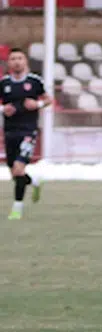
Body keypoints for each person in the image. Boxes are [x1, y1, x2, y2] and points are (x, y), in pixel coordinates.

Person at [1, 48, 51, 221]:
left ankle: (17, 208)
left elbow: (48, 99)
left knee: (18, 168)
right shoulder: (4, 83)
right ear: (8, 63)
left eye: (20, 58)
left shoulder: (34, 81)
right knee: (15, 173)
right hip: (9, 131)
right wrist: (3, 109)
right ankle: (34, 181)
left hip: (28, 130)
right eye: (13, 58)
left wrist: (37, 104)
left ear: (25, 61)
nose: (17, 61)